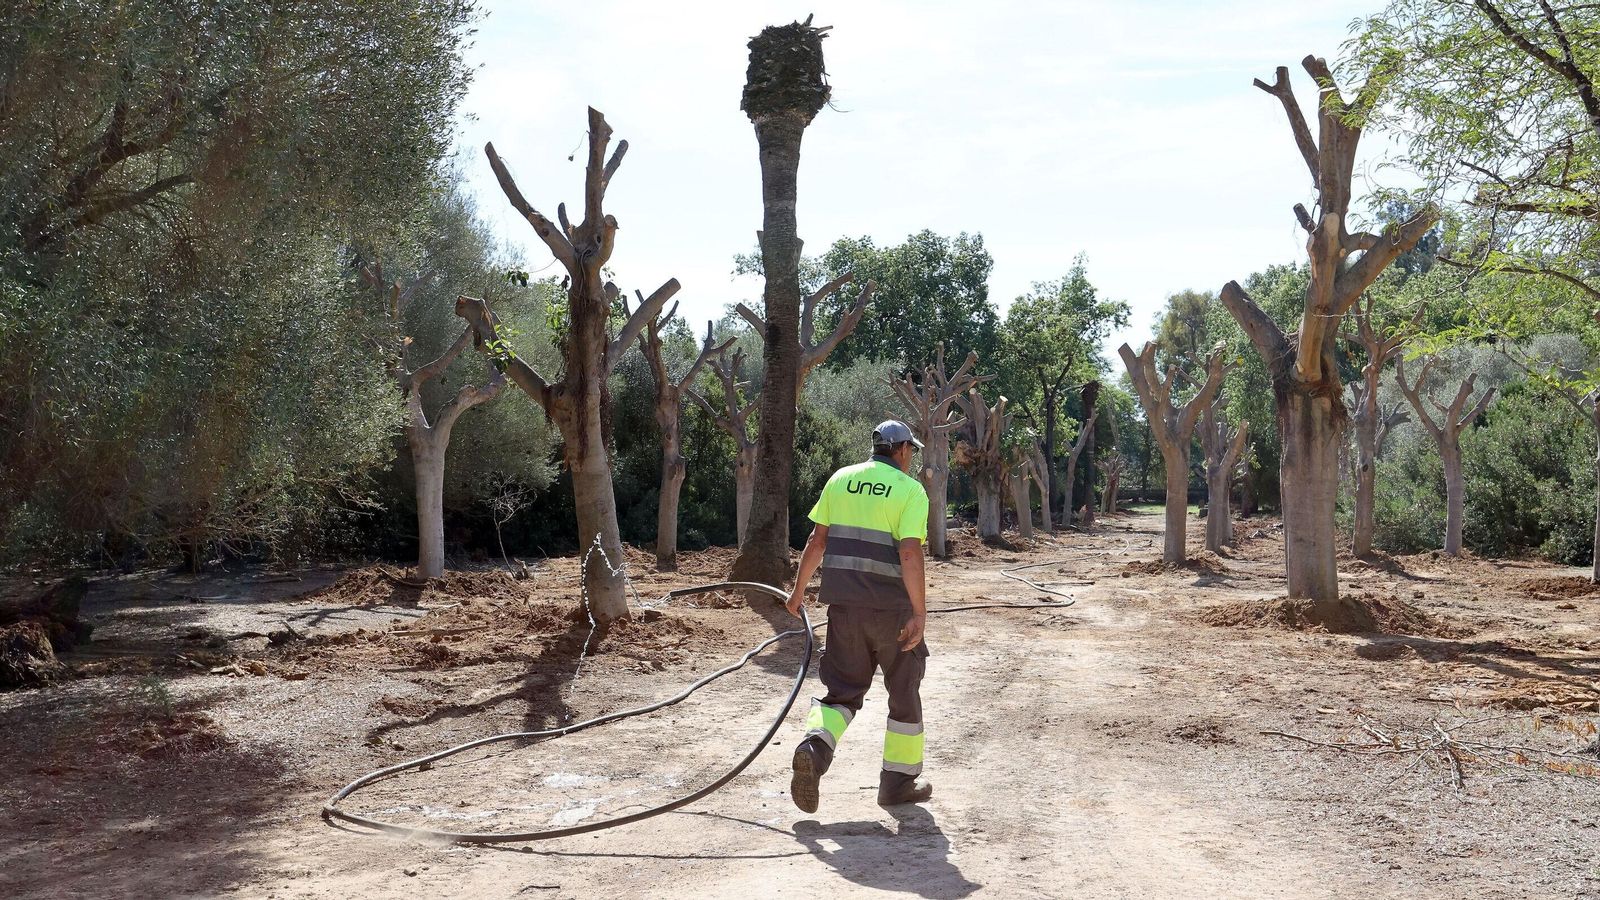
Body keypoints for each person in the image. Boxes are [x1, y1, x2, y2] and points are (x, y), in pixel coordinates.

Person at [785, 419, 932, 812]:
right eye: (911, 451)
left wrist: (798, 593)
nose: (911, 458)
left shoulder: (840, 480)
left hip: (844, 611)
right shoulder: (909, 490)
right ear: (900, 449)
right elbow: (909, 553)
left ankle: (813, 752)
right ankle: (897, 785)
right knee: (903, 696)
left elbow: (817, 542)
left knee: (841, 694)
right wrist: (919, 612)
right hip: (893, 614)